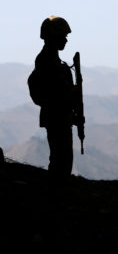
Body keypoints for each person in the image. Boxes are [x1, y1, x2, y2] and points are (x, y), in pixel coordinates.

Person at [33, 16, 76, 180]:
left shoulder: (53, 60)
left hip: (60, 116)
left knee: (63, 160)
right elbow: (57, 91)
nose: (65, 40)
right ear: (53, 37)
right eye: (62, 36)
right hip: (56, 116)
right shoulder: (47, 60)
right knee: (60, 160)